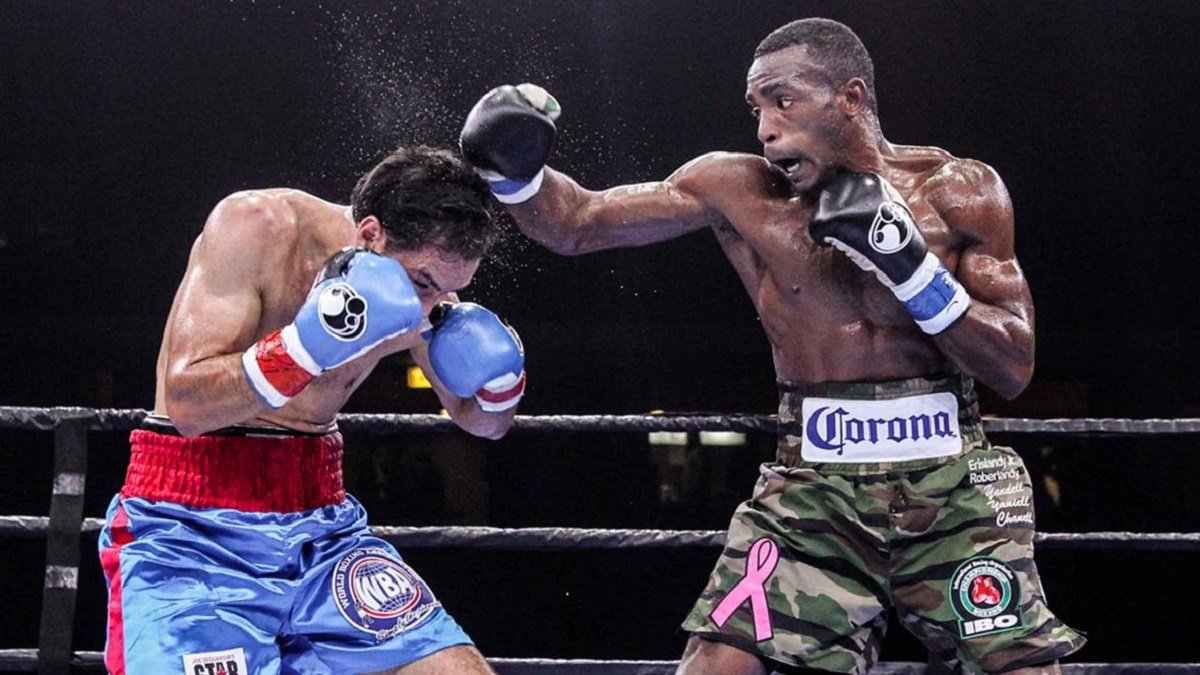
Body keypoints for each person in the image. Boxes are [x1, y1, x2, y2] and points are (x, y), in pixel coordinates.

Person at [460, 18, 1084, 675]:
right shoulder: (739, 190)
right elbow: (578, 222)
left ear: (850, 97)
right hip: (813, 491)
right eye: (756, 107)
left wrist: (911, 270)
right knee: (717, 664)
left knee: (1024, 669)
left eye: (783, 101)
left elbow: (1013, 365)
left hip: (953, 486)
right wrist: (515, 172)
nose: (765, 128)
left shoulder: (959, 189)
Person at [98, 145, 525, 675]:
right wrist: (303, 349)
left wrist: (502, 384)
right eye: (422, 284)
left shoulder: (430, 296)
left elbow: (482, 423)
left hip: (321, 526)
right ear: (370, 234)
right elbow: (186, 402)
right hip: (193, 526)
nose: (427, 309)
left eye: (448, 291)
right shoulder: (257, 226)